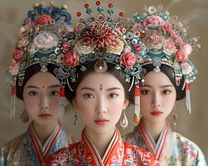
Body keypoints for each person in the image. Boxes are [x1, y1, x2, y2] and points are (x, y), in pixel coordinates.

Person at [42, 1, 159, 165]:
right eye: (89, 95)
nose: (101, 108)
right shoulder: (56, 163)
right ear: (75, 101)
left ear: (125, 100)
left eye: (112, 95)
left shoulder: (147, 162)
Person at [0, 2, 77, 166]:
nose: (44, 105)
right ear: (21, 93)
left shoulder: (80, 155)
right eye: (33, 93)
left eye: (53, 93)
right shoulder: (7, 155)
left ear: (66, 95)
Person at [122, 5, 207, 165]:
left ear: (177, 93)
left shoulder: (190, 154)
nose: (156, 102)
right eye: (146, 91)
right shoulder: (119, 151)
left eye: (166, 91)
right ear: (135, 93)